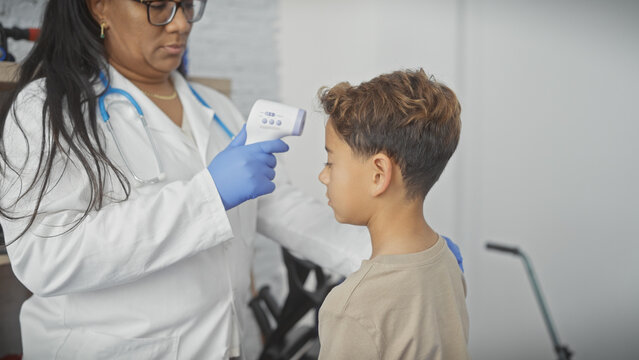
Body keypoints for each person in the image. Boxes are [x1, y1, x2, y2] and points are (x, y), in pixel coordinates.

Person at [0, 1, 462, 359]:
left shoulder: (217, 110)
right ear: (99, 7)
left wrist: (395, 256)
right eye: (159, 5)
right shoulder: (47, 110)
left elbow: (283, 209)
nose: (181, 23)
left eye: (187, 6)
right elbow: (45, 255)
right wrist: (207, 196)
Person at [316, 69, 469, 359]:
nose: (323, 176)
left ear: (378, 174)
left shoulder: (350, 307)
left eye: (330, 161)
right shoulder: (447, 262)